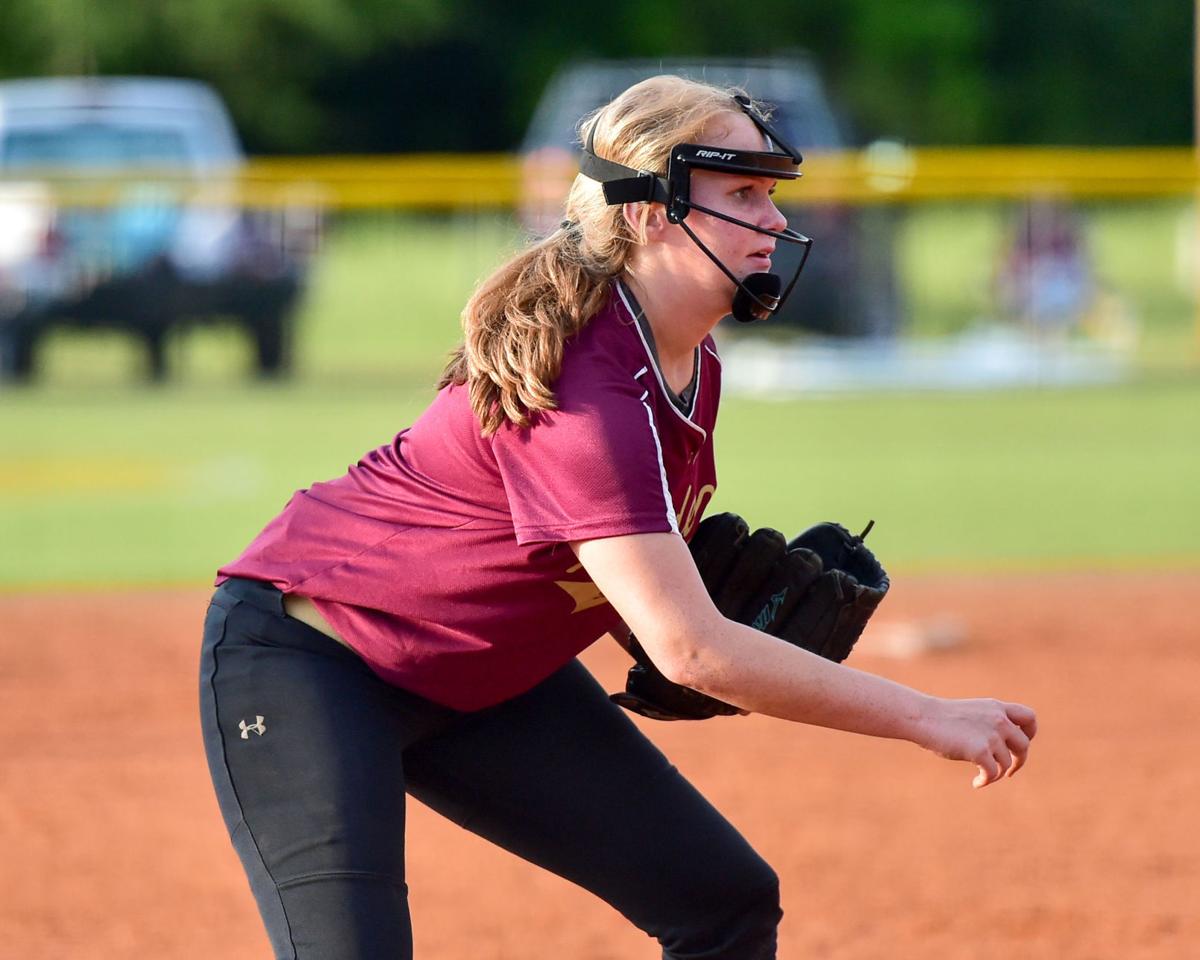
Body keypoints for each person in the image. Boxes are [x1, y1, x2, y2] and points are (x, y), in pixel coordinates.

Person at [199, 75, 1037, 960]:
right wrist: (924, 715)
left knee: (724, 902)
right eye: (741, 194)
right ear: (648, 214)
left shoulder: (690, 359)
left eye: (770, 194)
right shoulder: (586, 388)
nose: (772, 221)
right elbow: (693, 651)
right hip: (318, 664)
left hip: (486, 677)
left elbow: (598, 574)